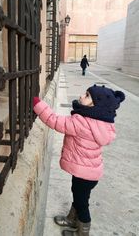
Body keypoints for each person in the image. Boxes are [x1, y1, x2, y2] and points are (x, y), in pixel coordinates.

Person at [33, 85, 125, 236]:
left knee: (82, 204)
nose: (82, 96)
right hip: (91, 173)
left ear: (96, 105)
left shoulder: (81, 122)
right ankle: (72, 220)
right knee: (80, 197)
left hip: (83, 173)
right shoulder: (103, 123)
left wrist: (38, 104)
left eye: (87, 95)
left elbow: (54, 120)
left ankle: (82, 232)